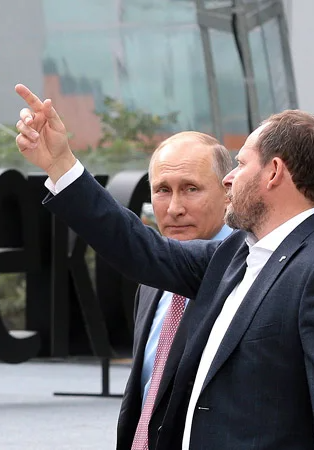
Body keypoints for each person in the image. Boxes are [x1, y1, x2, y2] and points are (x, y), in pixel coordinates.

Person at [13, 83, 314, 450]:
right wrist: (60, 165)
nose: (229, 178)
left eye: (241, 164)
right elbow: (138, 247)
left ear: (273, 172)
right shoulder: (236, 254)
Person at [118, 132, 233, 450]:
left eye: (191, 189)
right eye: (163, 190)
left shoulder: (246, 272)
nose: (174, 208)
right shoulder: (151, 281)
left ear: (228, 193)